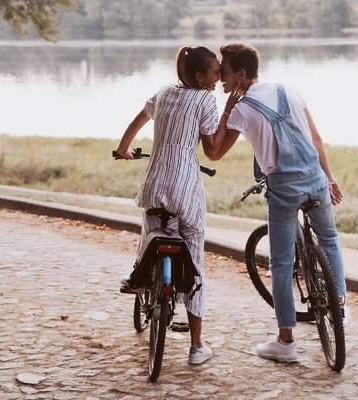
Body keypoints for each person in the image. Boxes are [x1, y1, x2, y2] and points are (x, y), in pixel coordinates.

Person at [209, 42, 351, 363]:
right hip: (315, 179)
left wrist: (228, 109)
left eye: (225, 73)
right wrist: (329, 178)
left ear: (242, 75)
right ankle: (338, 306)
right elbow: (316, 140)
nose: (220, 79)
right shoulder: (291, 90)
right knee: (329, 240)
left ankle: (286, 342)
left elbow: (214, 152)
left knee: (282, 264)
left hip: (284, 188)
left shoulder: (243, 109)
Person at [114, 45, 240, 365]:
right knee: (194, 259)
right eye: (215, 72)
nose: (218, 76)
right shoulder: (205, 100)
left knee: (150, 236)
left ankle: (140, 278)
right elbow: (212, 151)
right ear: (200, 76)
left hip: (155, 186)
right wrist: (228, 111)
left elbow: (135, 122)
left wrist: (123, 149)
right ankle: (196, 348)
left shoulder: (163, 92)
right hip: (187, 190)